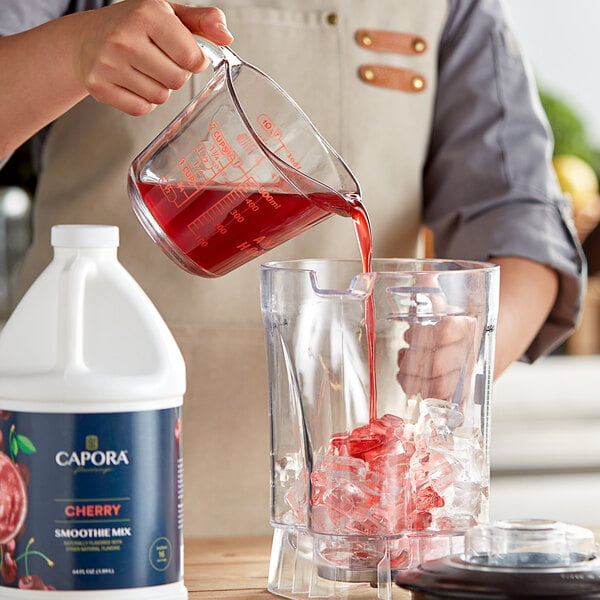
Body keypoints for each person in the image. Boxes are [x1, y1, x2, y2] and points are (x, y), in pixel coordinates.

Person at [0, 0, 585, 536]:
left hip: (353, 525)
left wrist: (470, 343)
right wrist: (71, 50)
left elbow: (517, 215)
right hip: (75, 474)